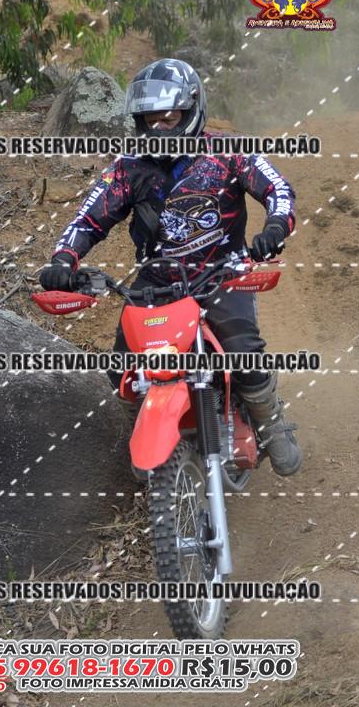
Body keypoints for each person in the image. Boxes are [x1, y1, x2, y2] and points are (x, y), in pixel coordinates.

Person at [39, 58, 302, 476]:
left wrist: (274, 228)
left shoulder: (229, 151)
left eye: (170, 117)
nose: (160, 127)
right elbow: (88, 219)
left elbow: (279, 190)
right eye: (151, 119)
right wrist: (62, 260)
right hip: (157, 282)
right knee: (121, 371)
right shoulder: (128, 168)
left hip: (223, 273)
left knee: (241, 348)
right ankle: (142, 434)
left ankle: (271, 424)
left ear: (192, 109)